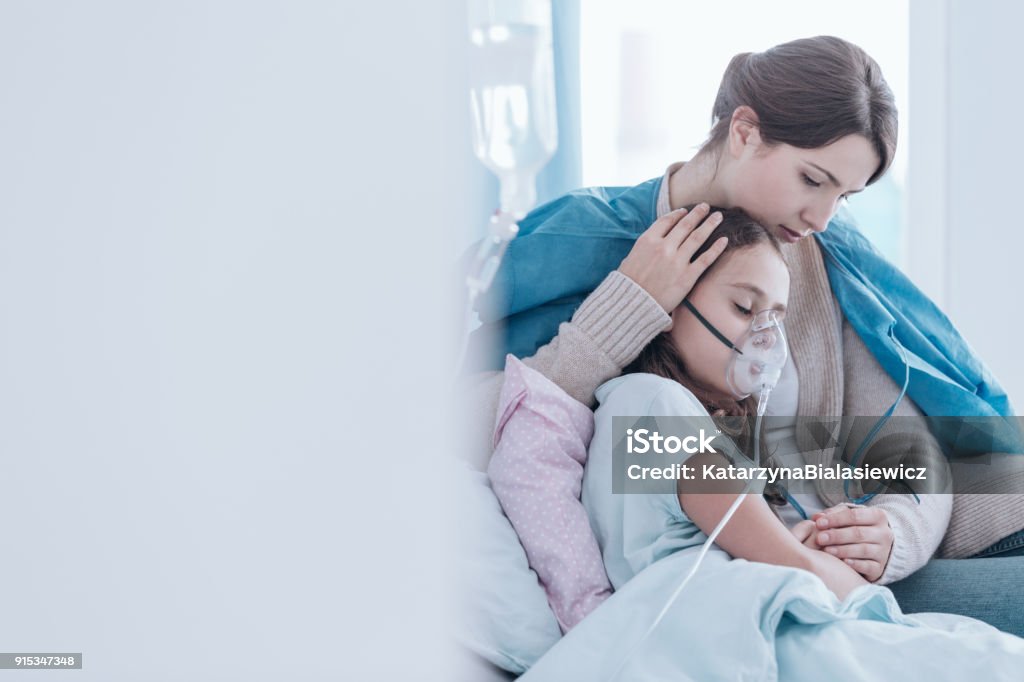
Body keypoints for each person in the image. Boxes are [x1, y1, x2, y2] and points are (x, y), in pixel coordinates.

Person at [462, 35, 1024, 635]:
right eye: (812, 179)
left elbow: (909, 451)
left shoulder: (818, 256)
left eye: (843, 195)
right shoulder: (589, 242)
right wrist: (626, 309)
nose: (822, 219)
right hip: (756, 583)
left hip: (845, 556)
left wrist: (895, 533)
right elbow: (459, 428)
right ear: (745, 131)